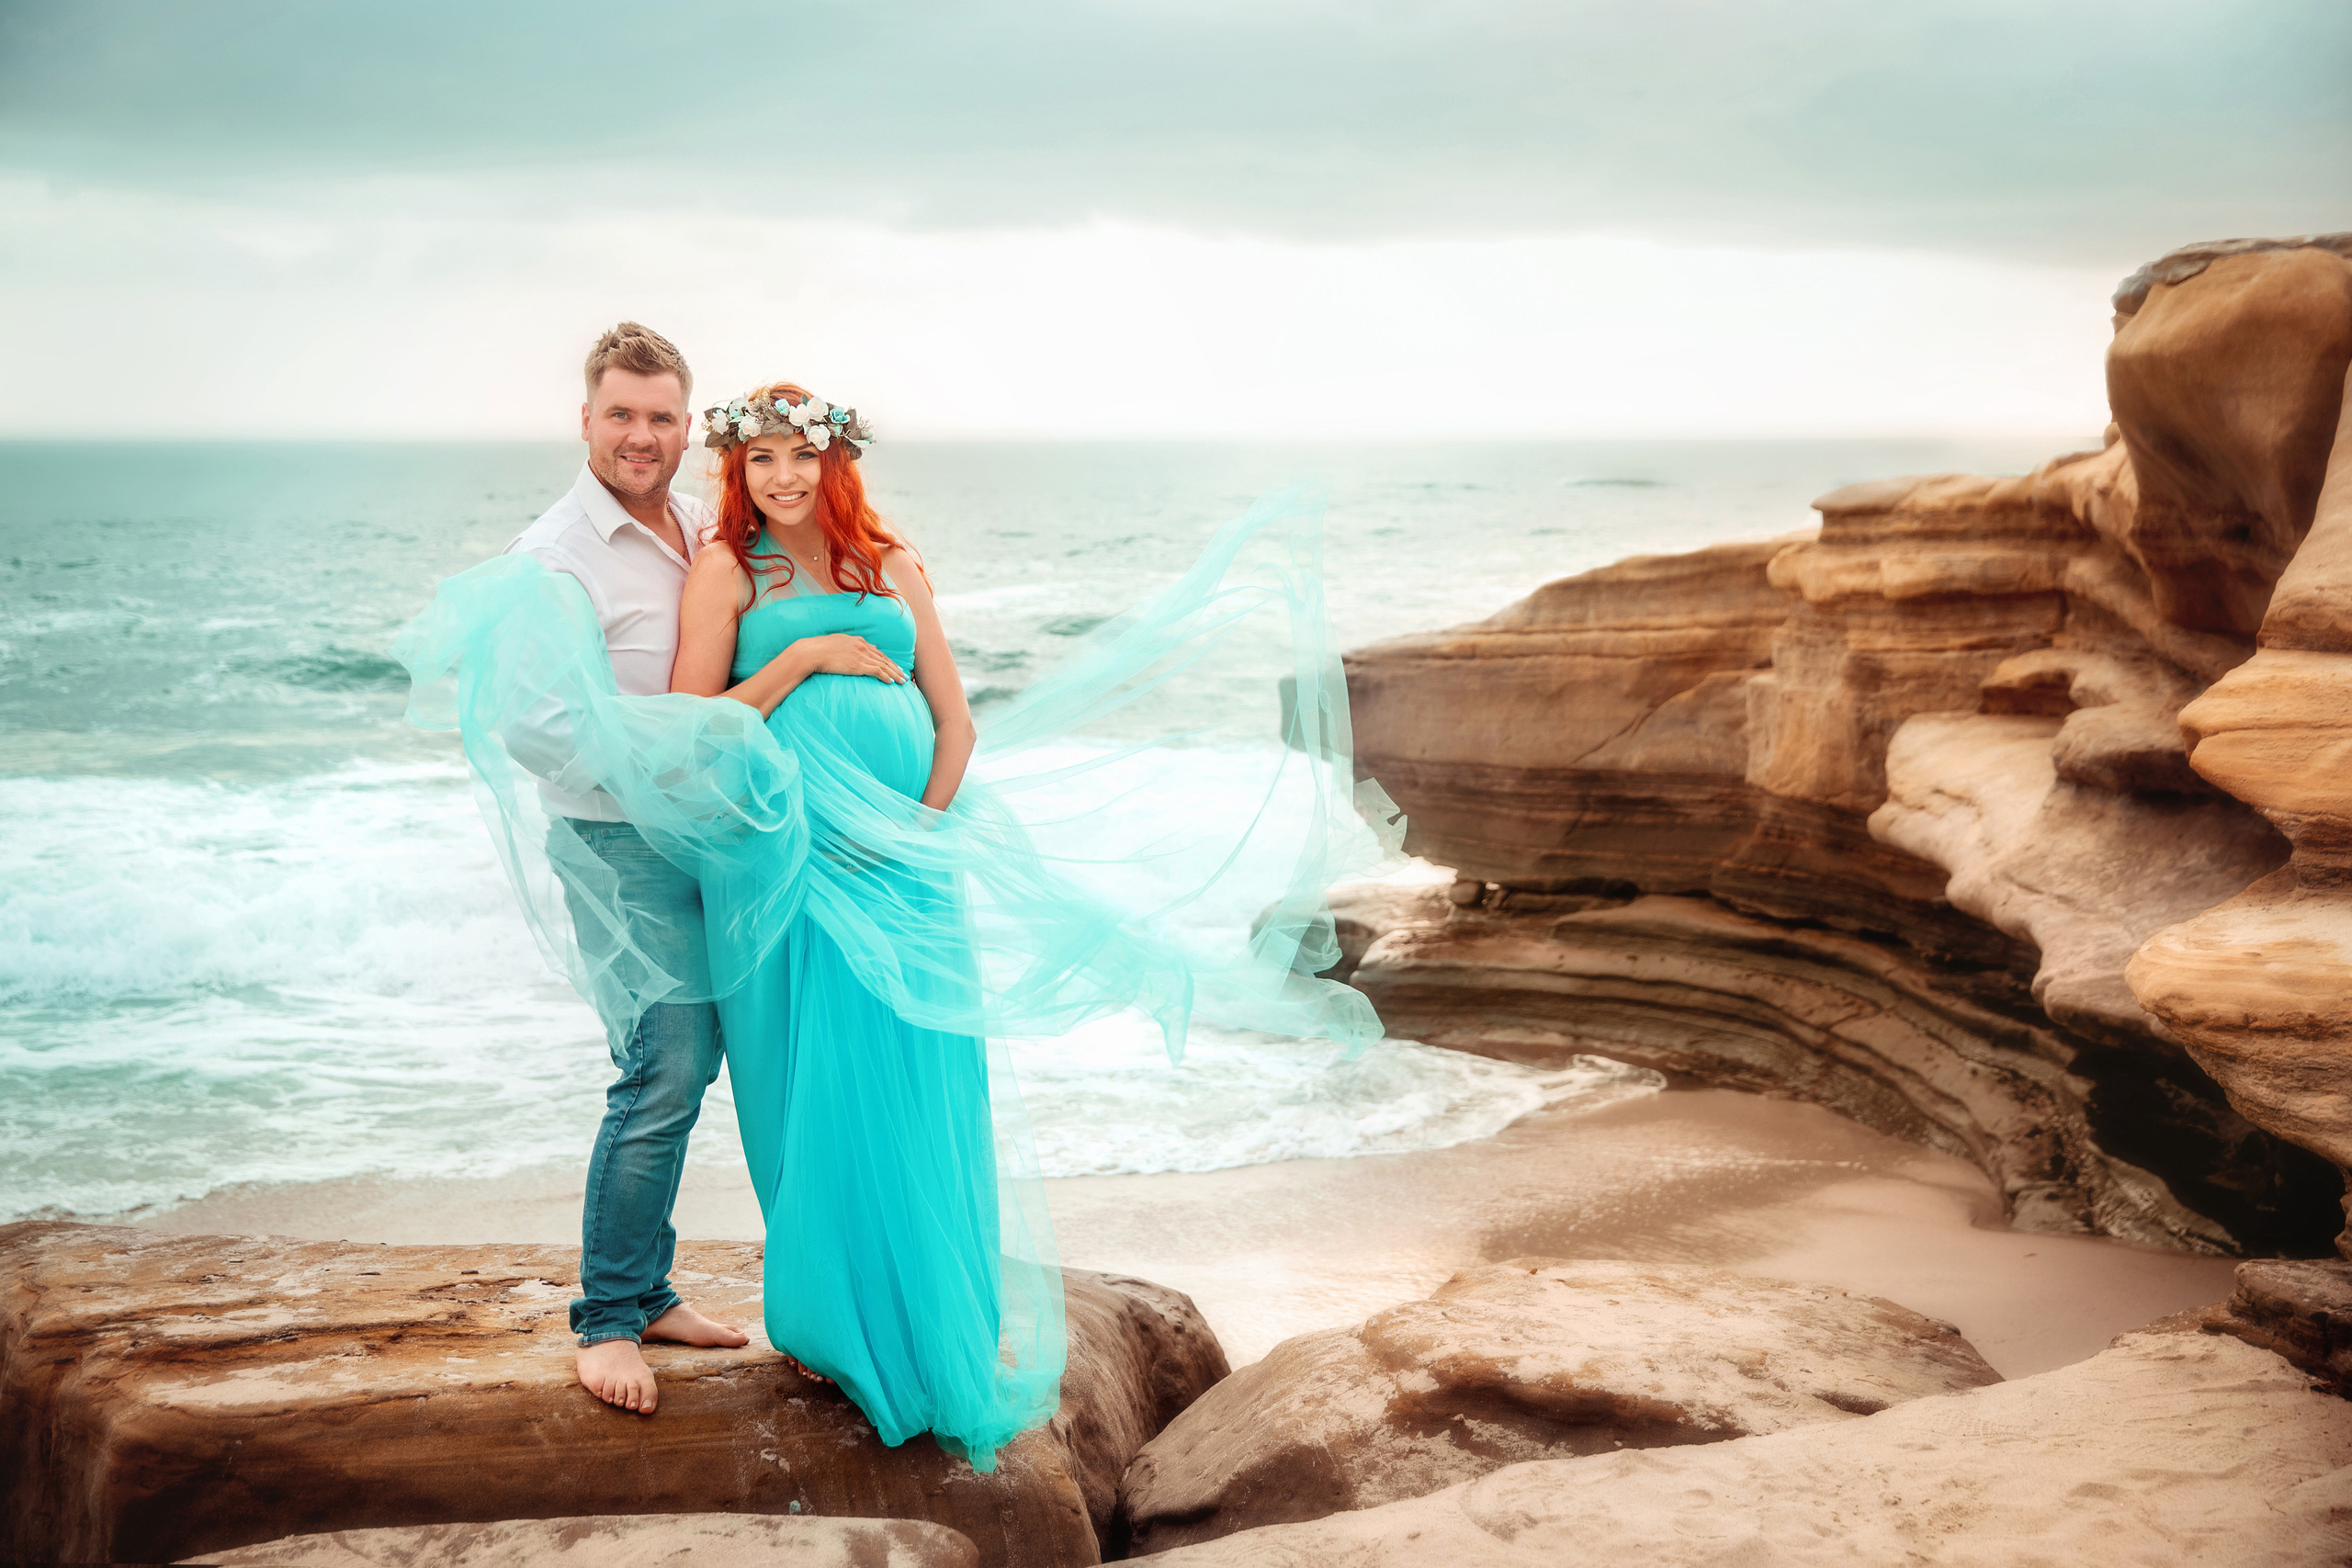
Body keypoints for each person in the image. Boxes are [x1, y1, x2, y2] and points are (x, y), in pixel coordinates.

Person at [395, 366, 1398, 1467]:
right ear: (725, 463)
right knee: (791, 1084)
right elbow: (689, 720)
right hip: (774, 869)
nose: (779, 474)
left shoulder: (884, 560)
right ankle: (773, 1317)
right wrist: (805, 658)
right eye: (758, 457)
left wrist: (918, 831)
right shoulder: (702, 562)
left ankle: (921, 1312)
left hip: (903, 866)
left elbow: (953, 722)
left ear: (834, 459)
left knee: (917, 1078)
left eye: (798, 453)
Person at [497, 322, 748, 1415]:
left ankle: (647, 1290)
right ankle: (605, 1318)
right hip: (616, 840)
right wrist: (685, 758)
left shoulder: (703, 523)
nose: (641, 436)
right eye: (621, 415)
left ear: (686, 426)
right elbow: (543, 731)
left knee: (696, 1063)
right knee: (664, 1059)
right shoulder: (551, 558)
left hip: (713, 837)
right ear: (586, 420)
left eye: (660, 417)